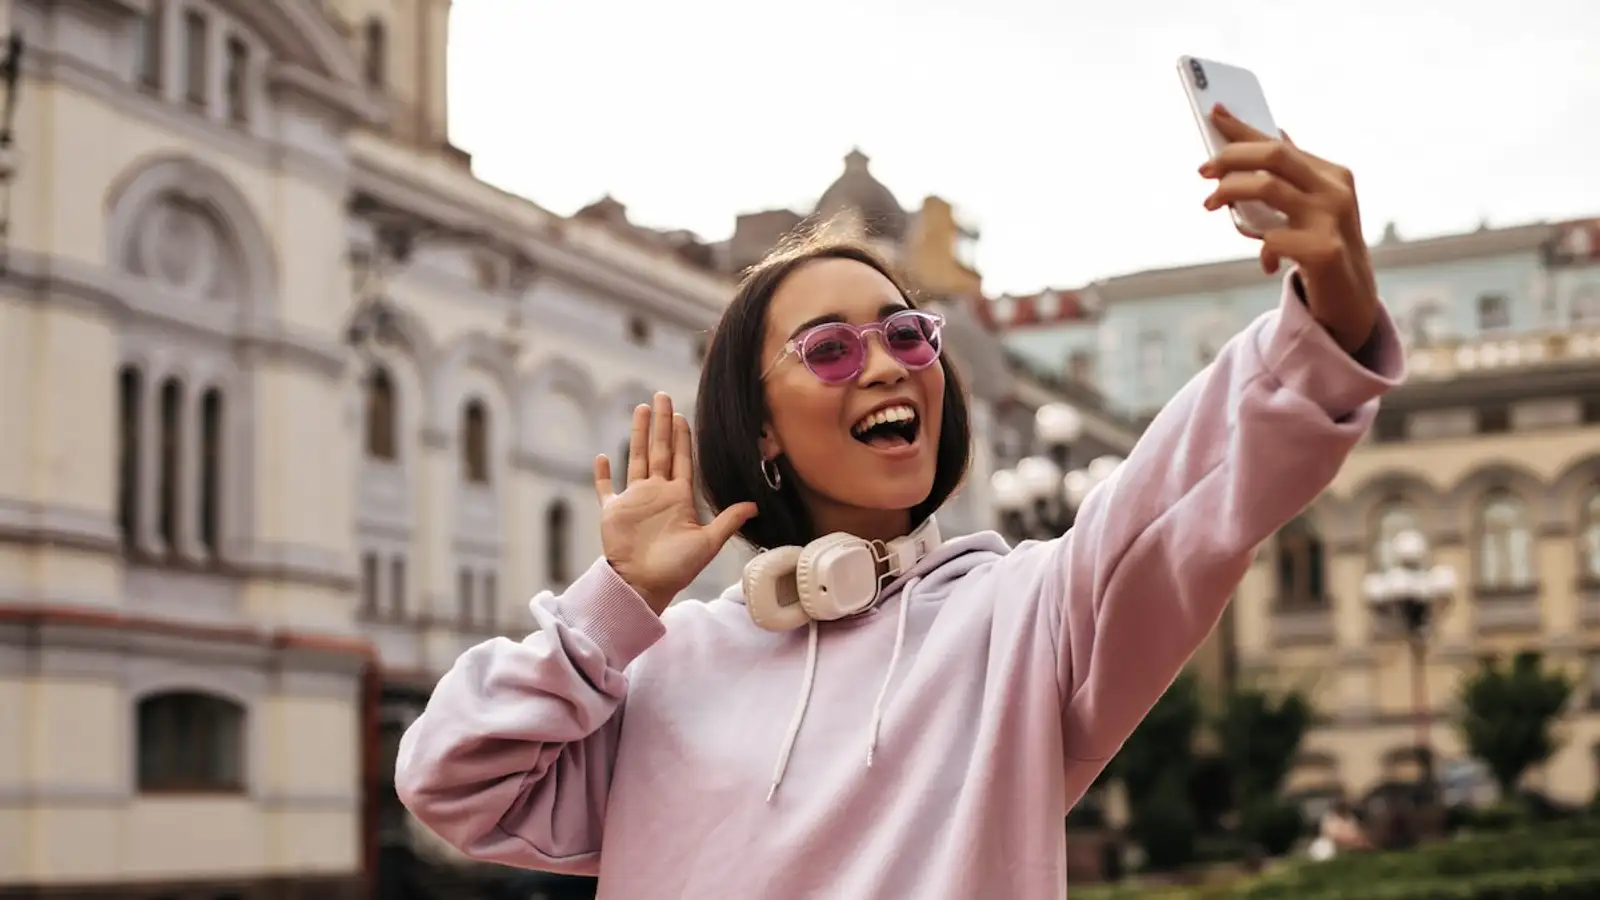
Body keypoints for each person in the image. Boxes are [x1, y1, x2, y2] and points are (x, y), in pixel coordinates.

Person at [395, 106, 1404, 898]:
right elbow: (452, 780)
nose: (884, 364)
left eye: (907, 334)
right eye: (829, 349)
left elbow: (1193, 491)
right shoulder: (659, 672)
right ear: (761, 434)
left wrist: (1331, 305)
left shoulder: (1028, 618)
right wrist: (612, 605)